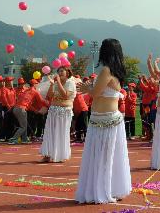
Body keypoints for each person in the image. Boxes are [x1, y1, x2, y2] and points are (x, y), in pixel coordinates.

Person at [76, 38, 132, 204]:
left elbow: (95, 93)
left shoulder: (107, 70)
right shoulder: (116, 71)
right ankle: (110, 188)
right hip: (105, 119)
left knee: (101, 157)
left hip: (105, 120)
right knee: (109, 157)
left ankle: (103, 190)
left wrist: (87, 88)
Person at [40, 66, 76, 163]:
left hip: (64, 112)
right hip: (53, 110)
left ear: (67, 73)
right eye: (59, 71)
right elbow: (49, 96)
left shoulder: (70, 83)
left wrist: (58, 82)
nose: (59, 73)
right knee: (49, 132)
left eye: (62, 71)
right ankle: (47, 155)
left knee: (61, 133)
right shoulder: (55, 83)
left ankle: (60, 155)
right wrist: (52, 85)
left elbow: (65, 96)